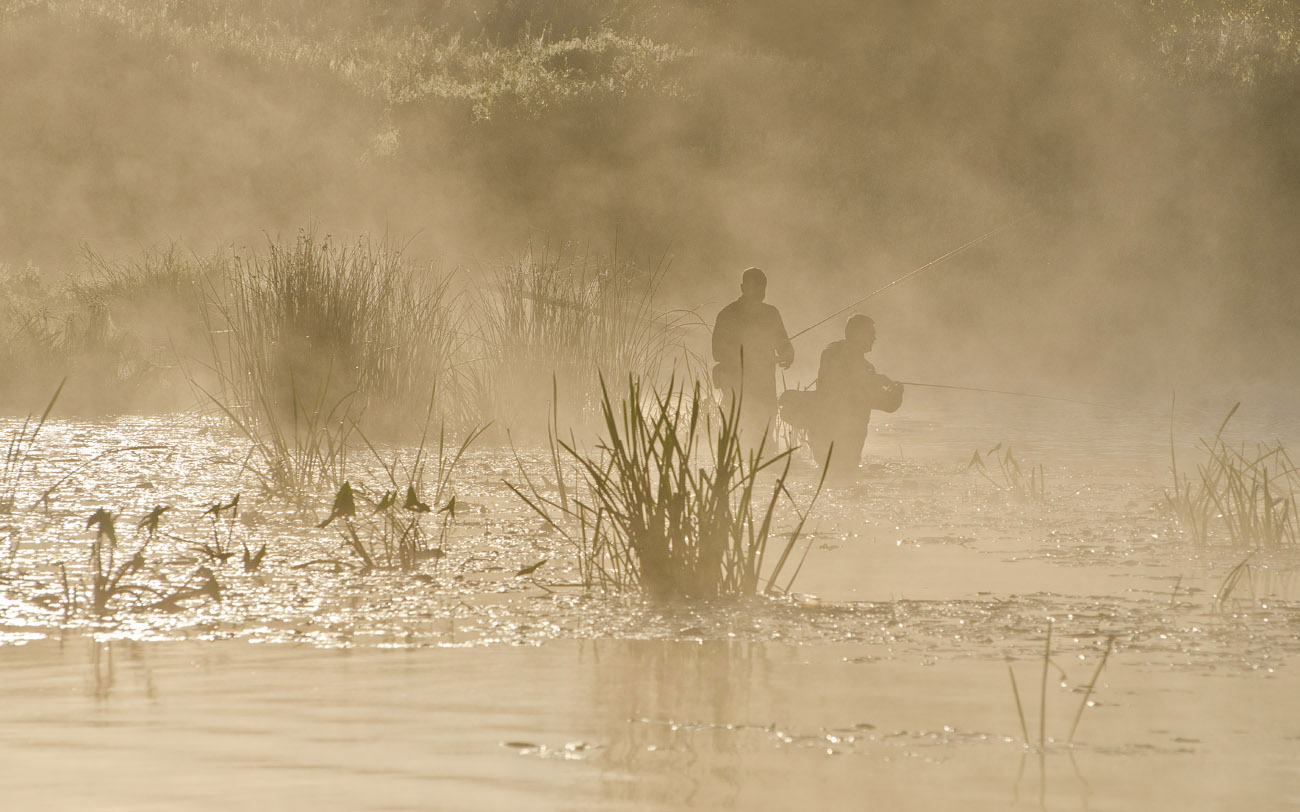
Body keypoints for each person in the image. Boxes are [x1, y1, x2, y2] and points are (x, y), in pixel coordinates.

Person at [810, 314, 902, 479]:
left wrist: (888, 388)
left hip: (823, 434)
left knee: (829, 476)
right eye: (870, 333)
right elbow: (882, 402)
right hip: (842, 436)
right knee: (844, 474)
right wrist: (895, 392)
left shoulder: (833, 353)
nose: (875, 337)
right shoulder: (836, 355)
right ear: (856, 334)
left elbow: (879, 399)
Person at [711, 268, 794, 445]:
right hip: (736, 389)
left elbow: (783, 342)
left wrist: (788, 353)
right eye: (754, 289)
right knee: (740, 438)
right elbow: (717, 352)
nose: (759, 294)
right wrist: (748, 355)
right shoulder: (727, 315)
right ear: (742, 288)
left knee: (766, 439)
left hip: (766, 390)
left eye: (762, 289)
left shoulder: (771, 313)